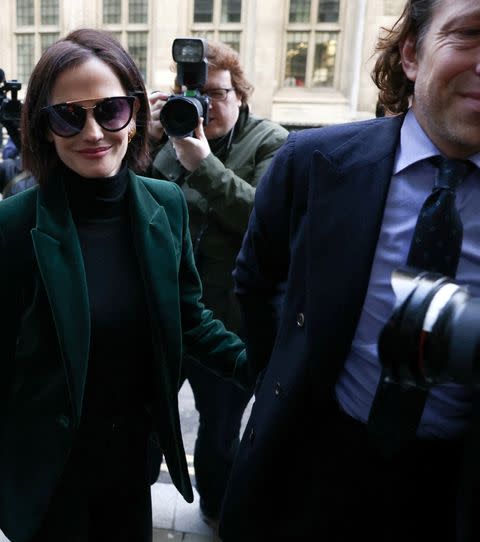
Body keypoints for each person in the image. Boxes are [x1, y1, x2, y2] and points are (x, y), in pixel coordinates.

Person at [0, 28, 250, 542]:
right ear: (44, 128)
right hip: (50, 481)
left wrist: (263, 368)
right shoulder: (9, 228)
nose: (93, 132)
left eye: (110, 110)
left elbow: (189, 316)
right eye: (69, 115)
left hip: (131, 471)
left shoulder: (166, 203)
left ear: (135, 117)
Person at [222, 0, 479, 540]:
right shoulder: (313, 163)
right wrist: (283, 378)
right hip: (316, 465)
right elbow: (256, 282)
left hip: (452, 491)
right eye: (469, 34)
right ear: (411, 53)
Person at [146, 40, 288, 522]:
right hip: (168, 313)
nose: (207, 104)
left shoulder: (270, 141)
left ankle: (215, 511)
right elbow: (138, 204)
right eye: (196, 94)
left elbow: (267, 221)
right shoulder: (171, 132)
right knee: (145, 416)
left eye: (218, 93)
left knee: (220, 429)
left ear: (241, 95)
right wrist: (144, 139)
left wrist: (202, 164)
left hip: (227, 322)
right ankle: (125, 498)